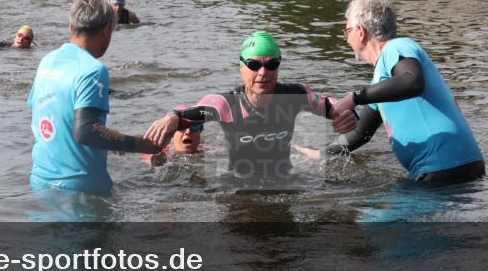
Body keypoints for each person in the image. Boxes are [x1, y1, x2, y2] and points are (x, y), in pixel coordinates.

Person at [144, 31, 353, 188]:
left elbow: (334, 105)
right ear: (241, 67)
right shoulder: (224, 104)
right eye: (254, 65)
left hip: (285, 182)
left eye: (271, 65)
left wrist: (346, 114)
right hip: (237, 188)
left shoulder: (294, 96)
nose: (263, 72)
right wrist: (171, 118)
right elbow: (184, 115)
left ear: (279, 66)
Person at [331, 0, 485, 186]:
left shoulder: (398, 46)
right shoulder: (383, 81)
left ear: (360, 32)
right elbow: (360, 134)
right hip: (457, 168)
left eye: (347, 31)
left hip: (440, 170)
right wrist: (319, 154)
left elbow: (412, 81)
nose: (346, 39)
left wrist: (355, 98)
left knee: (371, 214)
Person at [28, 0, 164, 197]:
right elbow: (86, 130)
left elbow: (46, 113)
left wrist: (110, 142)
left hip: (41, 182)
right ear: (107, 28)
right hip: (81, 189)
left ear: (71, 26)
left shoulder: (47, 61)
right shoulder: (93, 69)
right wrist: (138, 144)